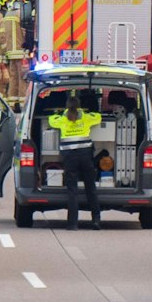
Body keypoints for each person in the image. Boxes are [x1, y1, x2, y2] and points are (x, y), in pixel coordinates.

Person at [48, 96, 103, 229]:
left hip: (70, 158)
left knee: (72, 191)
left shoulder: (62, 120)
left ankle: (73, 224)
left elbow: (51, 120)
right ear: (79, 106)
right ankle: (96, 220)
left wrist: (60, 113)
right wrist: (86, 112)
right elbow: (98, 117)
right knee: (91, 188)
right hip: (85, 156)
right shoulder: (86, 118)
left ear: (67, 107)